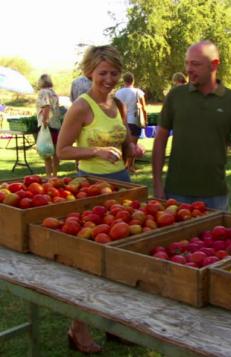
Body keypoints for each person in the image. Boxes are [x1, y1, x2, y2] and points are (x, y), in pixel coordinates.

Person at [56, 45, 137, 353]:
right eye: (103, 72)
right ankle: (78, 327)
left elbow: (124, 141)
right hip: (89, 188)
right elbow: (61, 150)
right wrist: (95, 151)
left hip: (121, 185)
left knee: (123, 259)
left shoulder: (118, 103)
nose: (108, 78)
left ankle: (115, 326)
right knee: (91, 263)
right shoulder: (81, 106)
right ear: (90, 71)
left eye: (114, 73)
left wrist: (132, 149)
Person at [152, 40, 231, 214]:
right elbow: (160, 140)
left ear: (214, 65)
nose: (189, 69)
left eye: (195, 64)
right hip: (175, 193)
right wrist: (157, 183)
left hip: (215, 196)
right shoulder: (175, 96)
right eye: (187, 63)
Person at [115, 72, 147, 173]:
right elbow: (144, 108)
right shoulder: (138, 92)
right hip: (134, 120)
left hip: (121, 121)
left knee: (123, 145)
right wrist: (145, 121)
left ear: (124, 81)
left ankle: (123, 166)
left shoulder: (118, 93)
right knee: (133, 144)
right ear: (133, 80)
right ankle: (130, 166)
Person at [36, 74, 62, 177]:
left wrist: (44, 121)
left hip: (47, 125)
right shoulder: (53, 92)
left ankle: (48, 176)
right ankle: (55, 175)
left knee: (46, 152)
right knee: (55, 152)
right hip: (56, 125)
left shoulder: (43, 92)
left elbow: (46, 106)